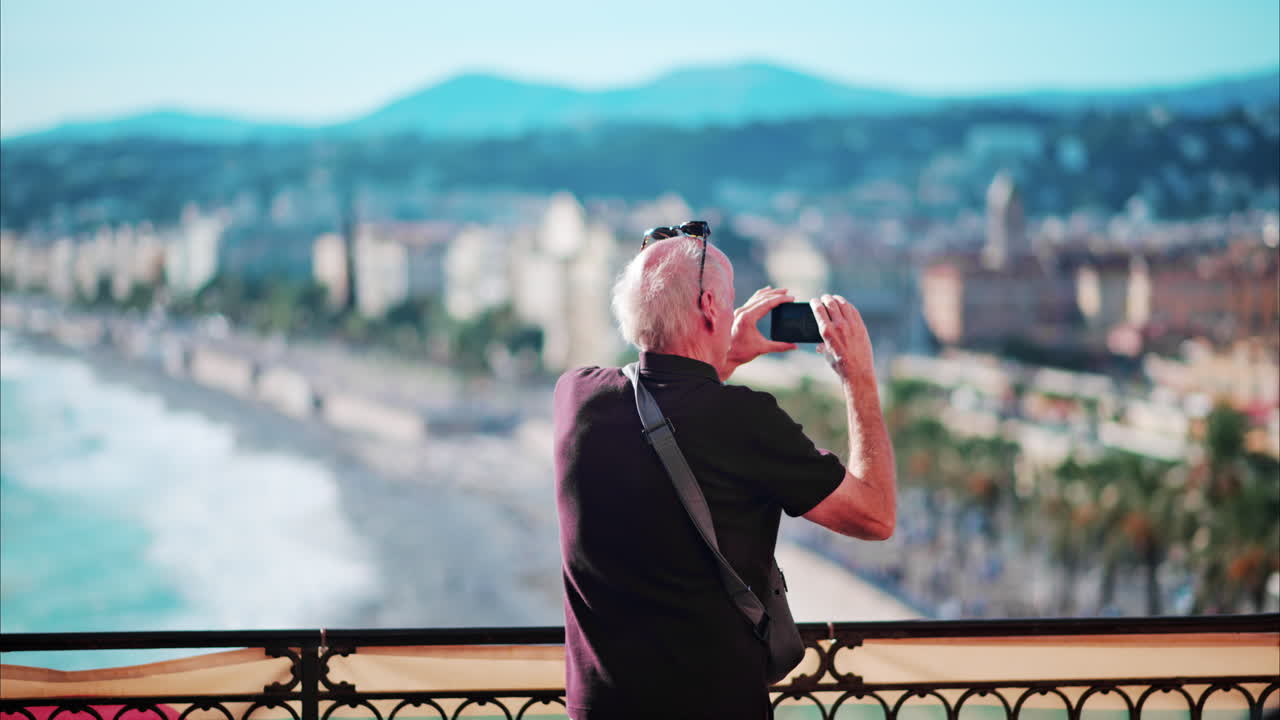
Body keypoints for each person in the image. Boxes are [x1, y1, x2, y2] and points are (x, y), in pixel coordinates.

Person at [553, 222, 897, 719]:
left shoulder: (577, 396)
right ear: (713, 309)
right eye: (729, 298)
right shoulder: (746, 422)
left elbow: (669, 404)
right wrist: (860, 378)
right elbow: (876, 515)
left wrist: (720, 353)